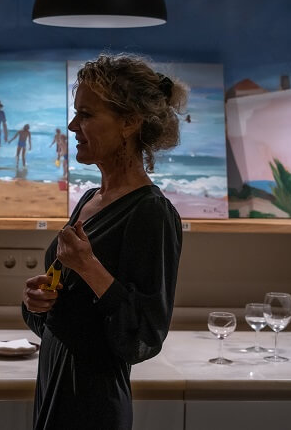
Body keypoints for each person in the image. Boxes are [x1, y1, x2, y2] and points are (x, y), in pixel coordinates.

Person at [22, 54, 187, 430]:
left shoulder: (151, 212)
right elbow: (70, 316)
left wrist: (89, 267)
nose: (72, 125)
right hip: (55, 378)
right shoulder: (89, 199)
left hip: (93, 399)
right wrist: (38, 302)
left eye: (86, 114)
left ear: (129, 122)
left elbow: (144, 337)